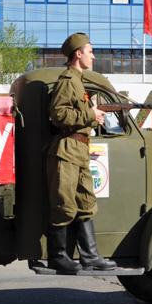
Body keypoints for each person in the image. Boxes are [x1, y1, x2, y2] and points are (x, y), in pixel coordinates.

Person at [46, 32, 116, 273]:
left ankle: (91, 256)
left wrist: (93, 114)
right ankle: (58, 256)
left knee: (86, 202)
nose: (93, 56)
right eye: (90, 51)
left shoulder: (79, 81)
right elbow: (58, 114)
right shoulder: (68, 80)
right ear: (78, 54)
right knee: (64, 204)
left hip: (80, 148)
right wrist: (90, 115)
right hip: (67, 149)